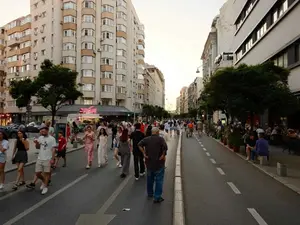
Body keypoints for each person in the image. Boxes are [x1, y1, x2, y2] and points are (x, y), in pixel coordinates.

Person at [138, 127, 168, 203]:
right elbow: (165, 148)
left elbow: (139, 144)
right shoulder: (161, 139)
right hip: (159, 163)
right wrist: (163, 155)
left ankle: (150, 193)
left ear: (152, 132)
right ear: (157, 132)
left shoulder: (147, 139)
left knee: (150, 179)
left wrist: (144, 153)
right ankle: (157, 197)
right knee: (159, 180)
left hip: (149, 163)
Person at [28, 126, 56, 195]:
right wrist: (36, 143)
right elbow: (37, 147)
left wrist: (52, 159)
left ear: (47, 131)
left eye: (43, 131)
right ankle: (44, 181)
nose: (42, 133)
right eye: (41, 131)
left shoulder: (52, 139)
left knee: (46, 174)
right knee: (37, 173)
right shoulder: (40, 138)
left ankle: (45, 187)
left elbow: (53, 149)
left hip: (48, 158)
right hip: (40, 158)